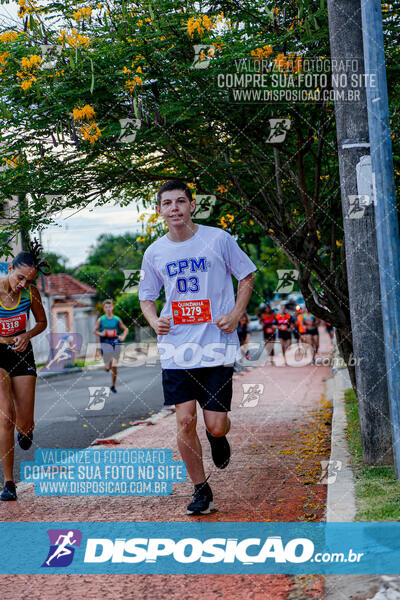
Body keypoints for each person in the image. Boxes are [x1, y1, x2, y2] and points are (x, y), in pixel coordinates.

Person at [139, 180, 256, 515]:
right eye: (167, 203)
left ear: (191, 205)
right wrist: (153, 320)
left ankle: (218, 438)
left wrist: (235, 314)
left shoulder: (217, 239)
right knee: (185, 422)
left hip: (216, 346)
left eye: (180, 201)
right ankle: (200, 489)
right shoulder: (155, 252)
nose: (174, 208)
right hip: (176, 348)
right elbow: (146, 297)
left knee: (215, 423)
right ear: (159, 210)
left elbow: (246, 275)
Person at [0, 239, 49, 501]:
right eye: (20, 278)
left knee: (24, 423)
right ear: (10, 267)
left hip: (22, 353)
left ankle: (26, 429)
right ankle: (8, 482)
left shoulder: (30, 293)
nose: (22, 284)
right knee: (5, 415)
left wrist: (27, 334)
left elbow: (42, 321)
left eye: (28, 281)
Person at [93, 299, 129, 393]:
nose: (108, 309)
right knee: (108, 368)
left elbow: (126, 329)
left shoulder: (117, 319)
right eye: (106, 307)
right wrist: (102, 334)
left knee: (115, 365)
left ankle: (113, 385)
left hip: (115, 342)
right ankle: (107, 366)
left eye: (110, 307)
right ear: (104, 309)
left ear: (112, 307)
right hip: (105, 343)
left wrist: (123, 336)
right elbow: (95, 331)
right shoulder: (101, 319)